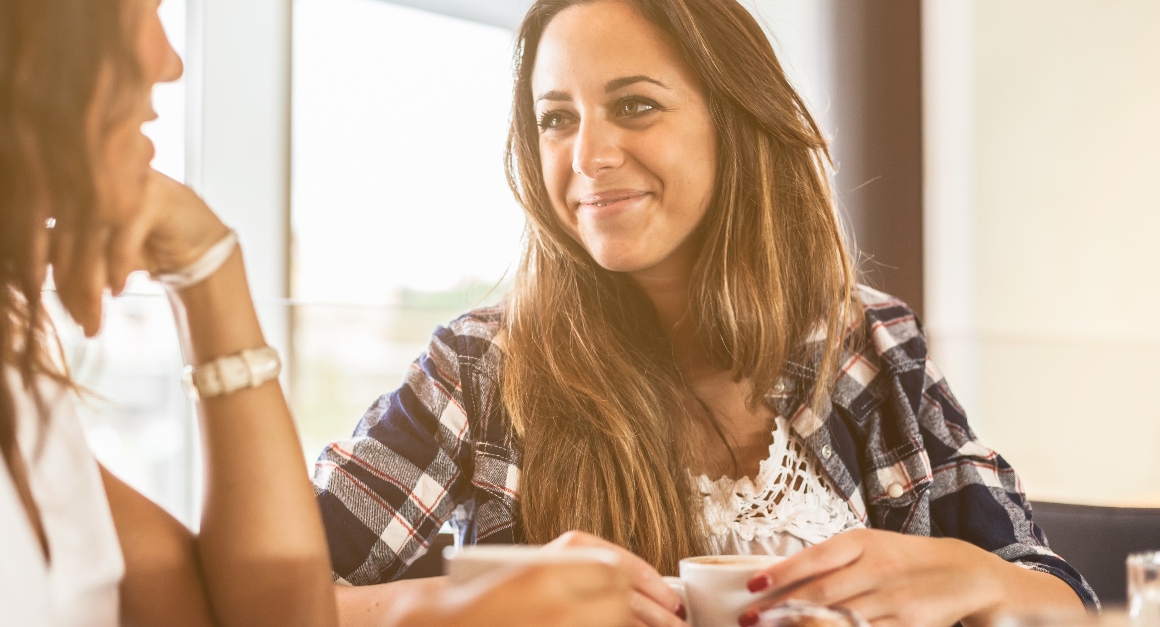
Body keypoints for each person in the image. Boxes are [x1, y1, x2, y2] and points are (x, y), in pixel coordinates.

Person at [314, 0, 1100, 625]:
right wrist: (460, 607)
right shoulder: (481, 369)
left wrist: (970, 577)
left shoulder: (868, 342)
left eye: (635, 105)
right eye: (558, 117)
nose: (587, 155)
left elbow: (1061, 600)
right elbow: (270, 600)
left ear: (736, 121)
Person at [0, 0, 632, 626]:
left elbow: (261, 611)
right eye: (141, 11)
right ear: (24, 43)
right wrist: (452, 610)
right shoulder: (482, 361)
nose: (170, 60)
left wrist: (209, 269)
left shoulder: (11, 387)